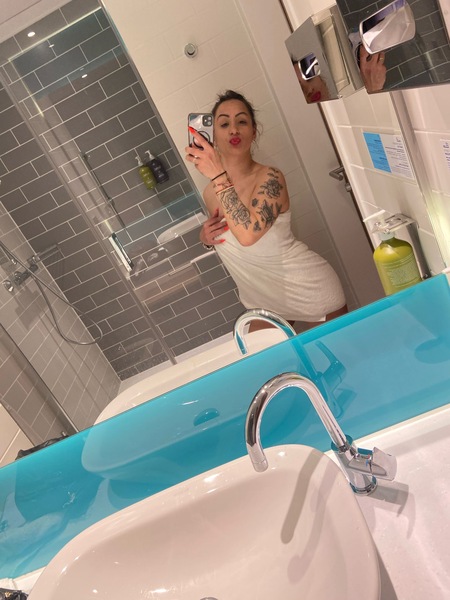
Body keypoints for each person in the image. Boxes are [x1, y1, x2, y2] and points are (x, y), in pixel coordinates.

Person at [185, 90, 347, 331]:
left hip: (308, 290)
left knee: (336, 356)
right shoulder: (210, 192)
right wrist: (206, 239)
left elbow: (248, 235)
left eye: (242, 121)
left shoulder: (270, 178)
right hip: (262, 301)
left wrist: (218, 175)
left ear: (254, 131)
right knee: (266, 358)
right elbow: (232, 238)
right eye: (224, 124)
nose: (234, 130)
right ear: (213, 137)